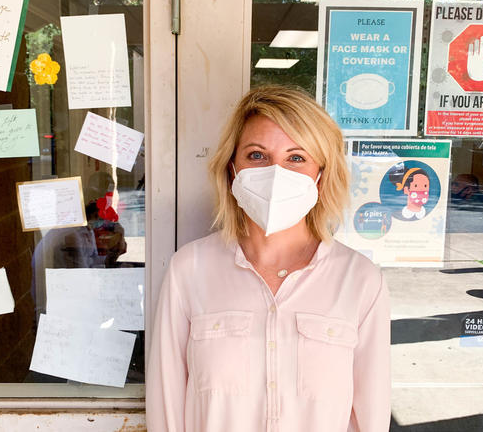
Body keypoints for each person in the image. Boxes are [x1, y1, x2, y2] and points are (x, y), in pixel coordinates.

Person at [146, 85, 390, 431]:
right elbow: (166, 404)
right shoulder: (190, 270)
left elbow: (371, 413)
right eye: (257, 155)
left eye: (296, 157)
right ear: (233, 170)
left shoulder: (360, 281)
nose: (277, 173)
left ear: (320, 176)